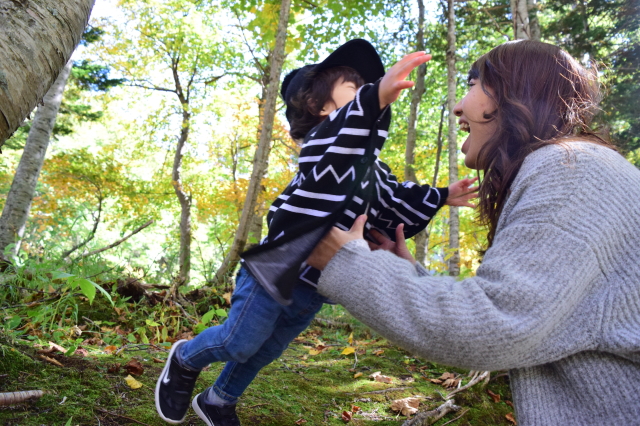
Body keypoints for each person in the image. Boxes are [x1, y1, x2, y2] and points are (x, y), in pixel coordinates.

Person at [307, 39, 640, 426]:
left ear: (515, 93)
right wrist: (409, 274)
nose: (457, 107)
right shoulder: (579, 168)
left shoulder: (572, 169)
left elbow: (496, 327)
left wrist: (348, 264)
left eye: (472, 84)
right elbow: (540, 318)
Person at [155, 39, 477, 426]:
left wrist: (441, 195)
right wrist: (376, 95)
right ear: (320, 107)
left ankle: (218, 400)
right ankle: (185, 358)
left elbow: (394, 198)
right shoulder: (321, 144)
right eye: (355, 88)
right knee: (238, 342)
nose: (365, 94)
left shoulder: (371, 167)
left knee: (267, 350)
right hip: (276, 270)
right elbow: (347, 134)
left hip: (318, 283)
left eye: (366, 89)